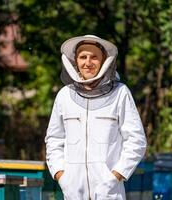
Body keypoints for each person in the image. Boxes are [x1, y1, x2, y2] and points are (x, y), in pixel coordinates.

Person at [45, 35, 147, 200]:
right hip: (73, 193)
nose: (88, 62)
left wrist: (115, 177)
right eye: (83, 57)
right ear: (75, 61)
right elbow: (54, 140)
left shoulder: (120, 93)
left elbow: (136, 141)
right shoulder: (64, 96)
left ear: (104, 60)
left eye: (94, 57)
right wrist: (62, 178)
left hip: (109, 193)